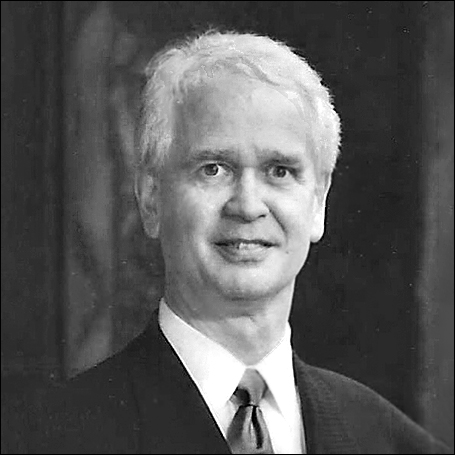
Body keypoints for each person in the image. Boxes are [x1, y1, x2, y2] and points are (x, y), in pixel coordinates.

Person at [2, 30, 450, 454]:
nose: (248, 206)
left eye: (280, 171)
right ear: (151, 198)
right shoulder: (46, 440)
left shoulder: (395, 443)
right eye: (214, 169)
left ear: (318, 203)